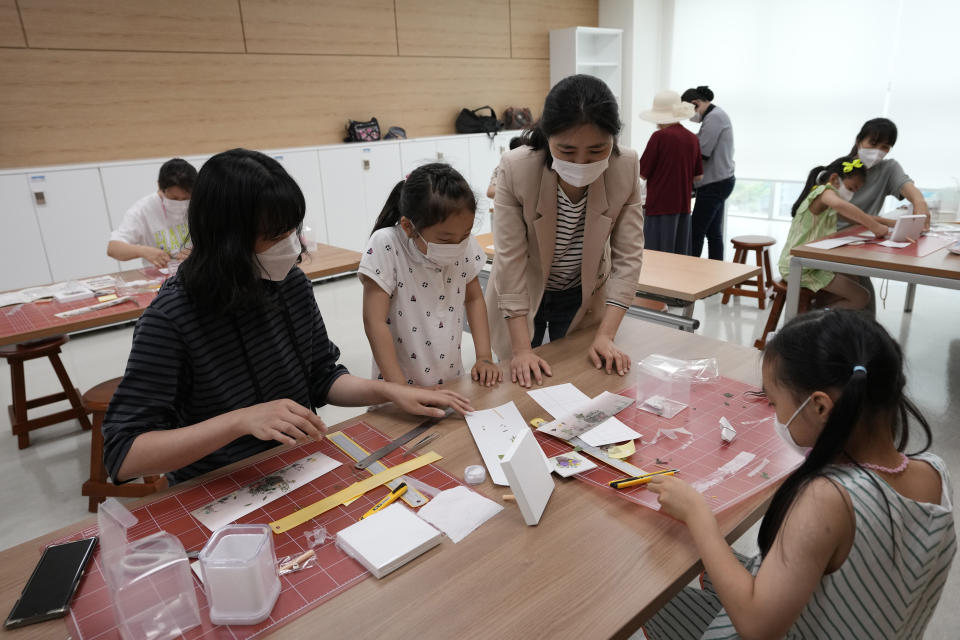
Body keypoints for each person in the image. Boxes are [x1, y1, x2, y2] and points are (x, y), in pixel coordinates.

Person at [103, 149, 472, 485]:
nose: (291, 246)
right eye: (275, 235)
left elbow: (321, 376)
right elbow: (123, 455)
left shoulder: (288, 283)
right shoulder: (171, 318)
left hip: (299, 466)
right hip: (220, 485)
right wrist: (239, 421)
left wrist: (389, 392)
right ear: (227, 238)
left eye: (292, 230)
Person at [643, 309, 955, 639]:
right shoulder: (934, 473)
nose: (774, 415)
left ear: (820, 407)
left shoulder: (828, 500)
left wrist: (697, 515)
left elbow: (757, 627)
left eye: (775, 403)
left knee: (651, 599)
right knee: (715, 563)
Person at [484, 74, 644, 388]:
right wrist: (520, 349)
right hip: (522, 293)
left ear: (613, 138)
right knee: (520, 382)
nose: (582, 162)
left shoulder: (625, 166)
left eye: (597, 150)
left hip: (582, 294)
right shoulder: (517, 168)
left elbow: (629, 259)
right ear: (547, 136)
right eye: (567, 152)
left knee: (575, 379)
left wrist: (606, 336)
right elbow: (510, 261)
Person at [359, 163, 501, 388]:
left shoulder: (465, 245)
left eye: (465, 234)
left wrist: (484, 357)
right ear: (408, 226)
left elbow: (474, 299)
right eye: (445, 240)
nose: (457, 245)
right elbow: (374, 321)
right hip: (398, 388)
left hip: (451, 382)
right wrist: (400, 390)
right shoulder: (386, 244)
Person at [779, 155, 894, 309]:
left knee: (854, 278)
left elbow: (858, 218)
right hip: (800, 265)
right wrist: (875, 227)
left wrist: (890, 222)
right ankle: (816, 322)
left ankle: (818, 310)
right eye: (851, 188)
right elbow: (842, 205)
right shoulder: (823, 192)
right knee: (861, 296)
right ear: (834, 179)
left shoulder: (826, 204)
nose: (852, 194)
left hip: (810, 262)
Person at [847, 117, 932, 314]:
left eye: (885, 147)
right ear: (859, 140)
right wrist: (885, 222)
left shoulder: (888, 168)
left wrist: (919, 202)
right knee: (860, 300)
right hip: (831, 243)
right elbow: (843, 213)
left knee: (863, 301)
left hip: (859, 244)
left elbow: (907, 187)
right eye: (873, 143)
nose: (878, 151)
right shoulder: (841, 169)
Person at [638, 90, 703, 254]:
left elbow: (641, 172)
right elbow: (698, 176)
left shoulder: (659, 137)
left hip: (659, 205)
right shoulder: (692, 138)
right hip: (683, 206)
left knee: (655, 258)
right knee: (679, 258)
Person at [107, 158, 197, 268]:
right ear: (160, 187)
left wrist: (200, 253)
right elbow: (113, 248)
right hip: (161, 277)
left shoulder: (199, 203)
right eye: (173, 198)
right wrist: (143, 251)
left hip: (195, 272)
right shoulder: (142, 210)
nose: (180, 203)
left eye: (186, 198)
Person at [681, 85, 735, 260]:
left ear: (695, 103)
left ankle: (689, 274)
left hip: (714, 183)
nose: (689, 118)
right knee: (713, 232)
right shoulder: (715, 116)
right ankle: (714, 275)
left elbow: (702, 153)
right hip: (721, 180)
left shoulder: (714, 118)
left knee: (696, 231)